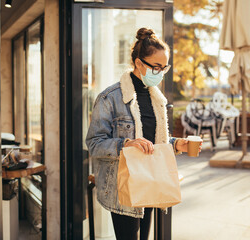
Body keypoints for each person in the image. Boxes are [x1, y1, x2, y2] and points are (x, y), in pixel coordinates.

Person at [85, 27, 201, 240]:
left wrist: (176, 144)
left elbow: (153, 141)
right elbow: (94, 143)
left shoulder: (157, 98)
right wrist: (125, 145)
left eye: (163, 68)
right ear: (139, 63)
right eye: (156, 66)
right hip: (124, 185)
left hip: (150, 179)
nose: (160, 73)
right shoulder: (109, 98)